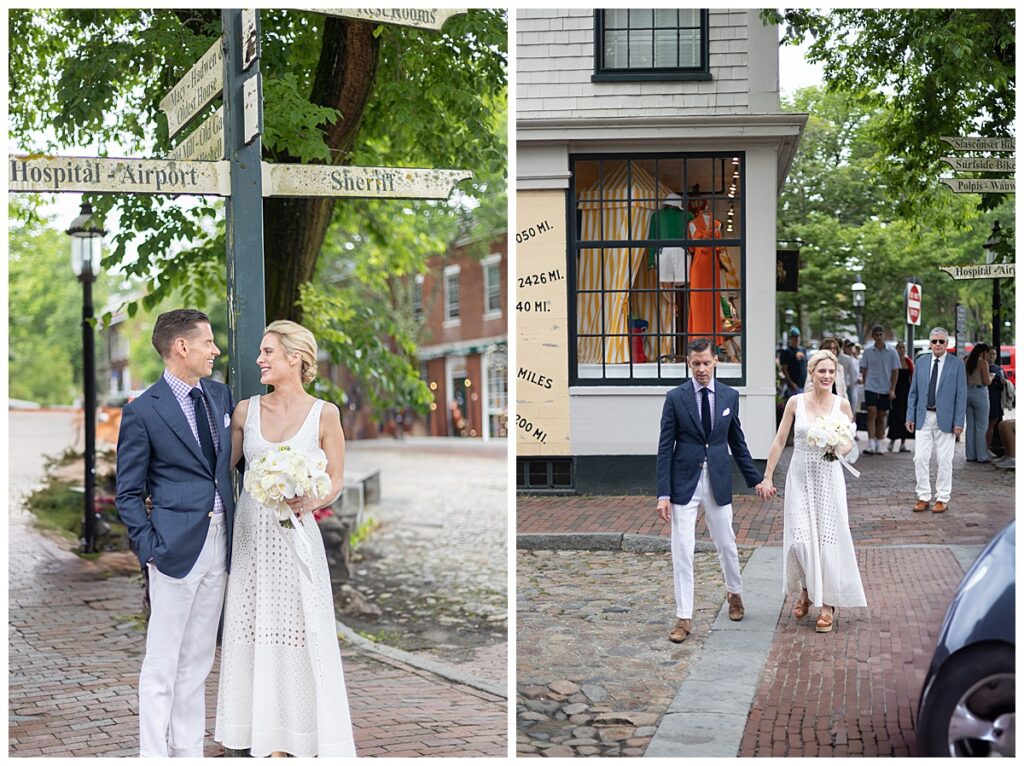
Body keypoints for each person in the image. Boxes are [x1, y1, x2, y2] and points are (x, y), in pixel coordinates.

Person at [215, 321, 356, 757]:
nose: (260, 359)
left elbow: (335, 478)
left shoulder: (324, 414)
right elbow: (220, 470)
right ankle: (259, 733)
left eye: (268, 352)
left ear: (295, 358)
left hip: (297, 540)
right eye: (261, 352)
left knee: (299, 632)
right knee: (252, 629)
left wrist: (312, 499)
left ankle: (299, 735)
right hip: (252, 542)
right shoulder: (245, 411)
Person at [115, 309, 236, 757]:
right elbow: (127, 492)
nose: (215, 350)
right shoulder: (143, 412)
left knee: (199, 662)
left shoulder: (220, 396)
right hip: (172, 551)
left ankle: (189, 753)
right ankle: (153, 755)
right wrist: (150, 549)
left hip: (221, 545)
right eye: (207, 342)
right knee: (163, 663)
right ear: (181, 347)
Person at [656, 338, 766, 643]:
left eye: (706, 363)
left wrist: (755, 479)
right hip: (683, 484)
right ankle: (684, 617)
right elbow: (665, 448)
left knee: (726, 543)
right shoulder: (675, 398)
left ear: (715, 361)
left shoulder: (730, 395)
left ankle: (735, 593)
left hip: (717, 480)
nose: (701, 369)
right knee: (682, 550)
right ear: (689, 364)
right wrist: (663, 494)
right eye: (696, 364)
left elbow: (738, 443)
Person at [756, 349, 866, 633]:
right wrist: (767, 476)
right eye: (822, 371)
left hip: (828, 478)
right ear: (812, 373)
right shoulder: (796, 403)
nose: (827, 376)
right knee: (800, 540)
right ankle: (806, 589)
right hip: (800, 477)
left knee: (828, 539)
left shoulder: (841, 405)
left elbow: (850, 442)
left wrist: (838, 447)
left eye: (831, 372)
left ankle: (826, 603)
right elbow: (780, 441)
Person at [906, 327, 967, 513]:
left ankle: (942, 497)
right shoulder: (921, 362)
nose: (938, 345)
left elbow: (961, 395)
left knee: (945, 459)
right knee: (920, 458)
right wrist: (910, 415)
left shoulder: (957, 364)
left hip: (946, 418)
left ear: (947, 344)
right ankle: (923, 496)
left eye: (941, 341)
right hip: (923, 416)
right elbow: (913, 392)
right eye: (934, 341)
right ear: (930, 343)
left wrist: (959, 422)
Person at [859, 325, 900, 455]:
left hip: (885, 388)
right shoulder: (867, 351)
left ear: (884, 335)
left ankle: (878, 442)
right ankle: (870, 443)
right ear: (873, 337)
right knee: (872, 413)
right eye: (876, 335)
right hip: (871, 386)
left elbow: (895, 371)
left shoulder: (892, 352)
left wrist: (892, 389)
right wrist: (865, 385)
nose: (879, 337)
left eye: (880, 335)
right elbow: (864, 369)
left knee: (881, 416)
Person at [963, 343, 993, 462]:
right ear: (983, 352)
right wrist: (992, 377)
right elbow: (986, 382)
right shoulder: (982, 363)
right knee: (981, 426)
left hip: (967, 393)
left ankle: (970, 455)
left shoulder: (967, 361)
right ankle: (982, 456)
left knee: (970, 426)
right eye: (988, 353)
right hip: (979, 393)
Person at [886, 341, 915, 452]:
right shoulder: (893, 362)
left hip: (906, 392)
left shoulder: (909, 362)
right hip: (896, 391)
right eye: (899, 348)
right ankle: (892, 441)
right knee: (895, 416)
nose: (901, 350)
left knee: (905, 417)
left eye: (903, 347)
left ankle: (903, 443)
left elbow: (913, 377)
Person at [986, 346, 1007, 456]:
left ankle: (989, 447)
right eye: (990, 354)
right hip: (986, 399)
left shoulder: (999, 369)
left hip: (996, 400)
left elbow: (1005, 384)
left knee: (992, 425)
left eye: (994, 354)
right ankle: (985, 448)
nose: (992, 356)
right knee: (986, 426)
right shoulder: (983, 367)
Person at [778, 327, 807, 398]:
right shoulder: (786, 352)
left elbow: (806, 365)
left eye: (798, 336)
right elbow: (784, 370)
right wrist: (791, 383)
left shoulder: (803, 350)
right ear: (790, 338)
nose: (796, 339)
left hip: (804, 385)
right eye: (794, 337)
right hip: (793, 387)